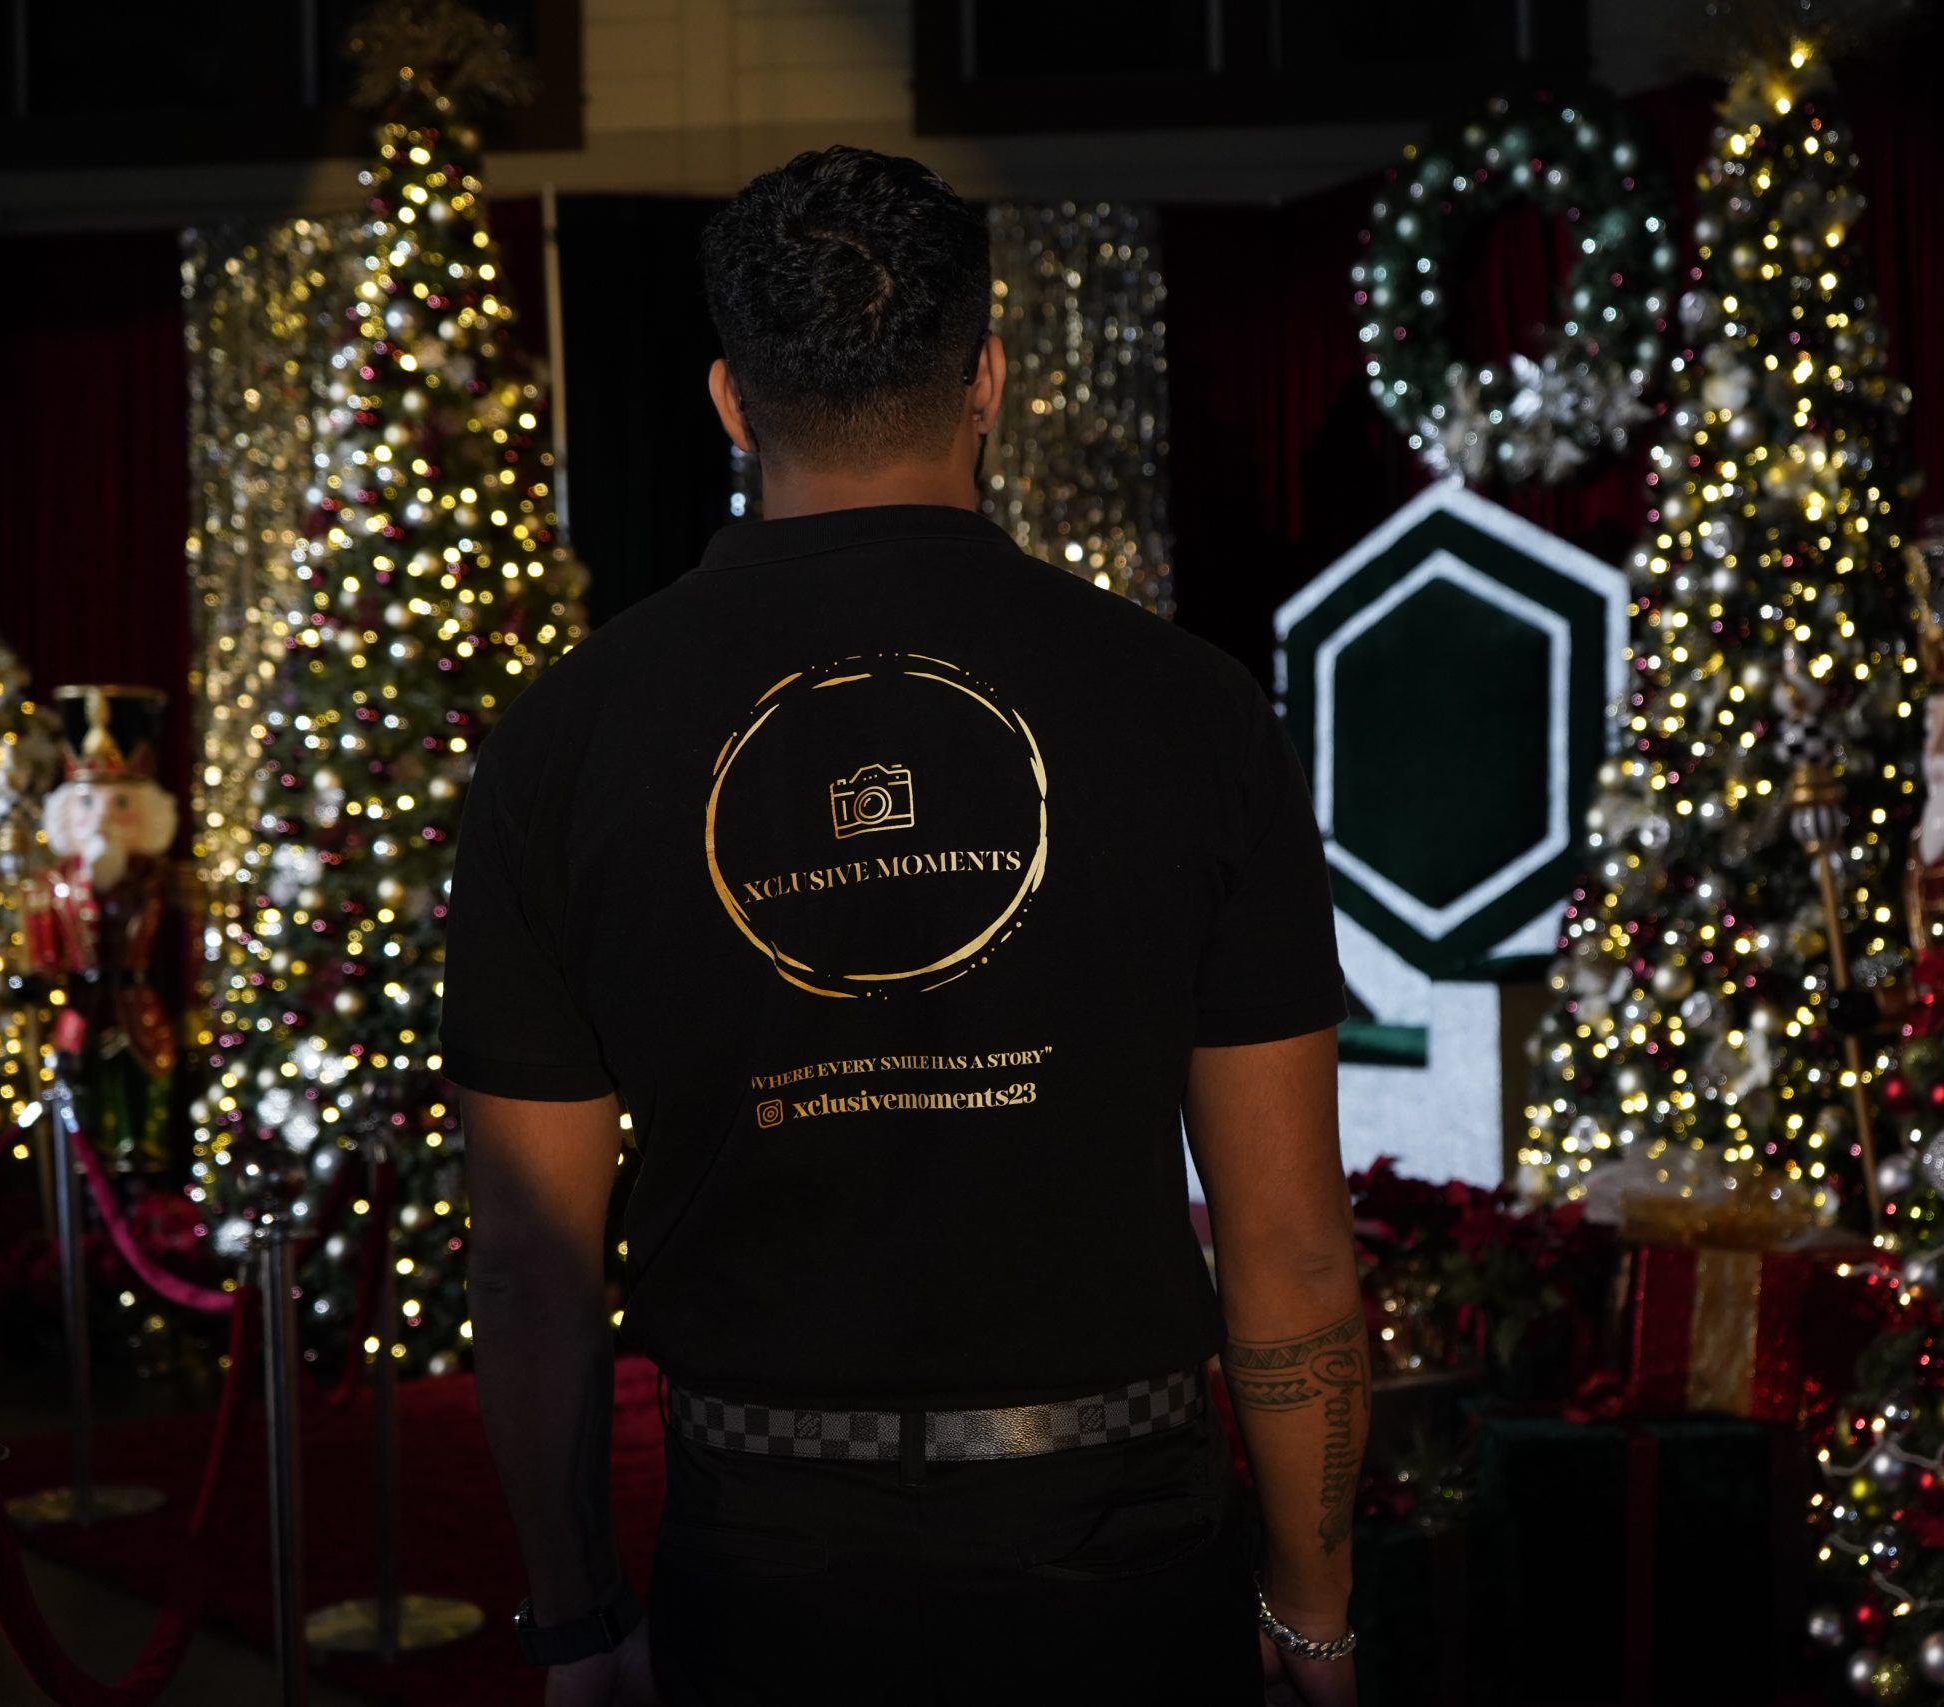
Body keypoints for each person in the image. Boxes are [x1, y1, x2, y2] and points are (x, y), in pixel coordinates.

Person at [444, 145, 1365, 1706]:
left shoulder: (566, 740)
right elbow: (1289, 1244)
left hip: (764, 1557)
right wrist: (1315, 1609)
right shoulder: (1193, 713)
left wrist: (578, 1620)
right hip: (1124, 1550)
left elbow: (532, 1271)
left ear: (732, 402)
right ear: (989, 377)